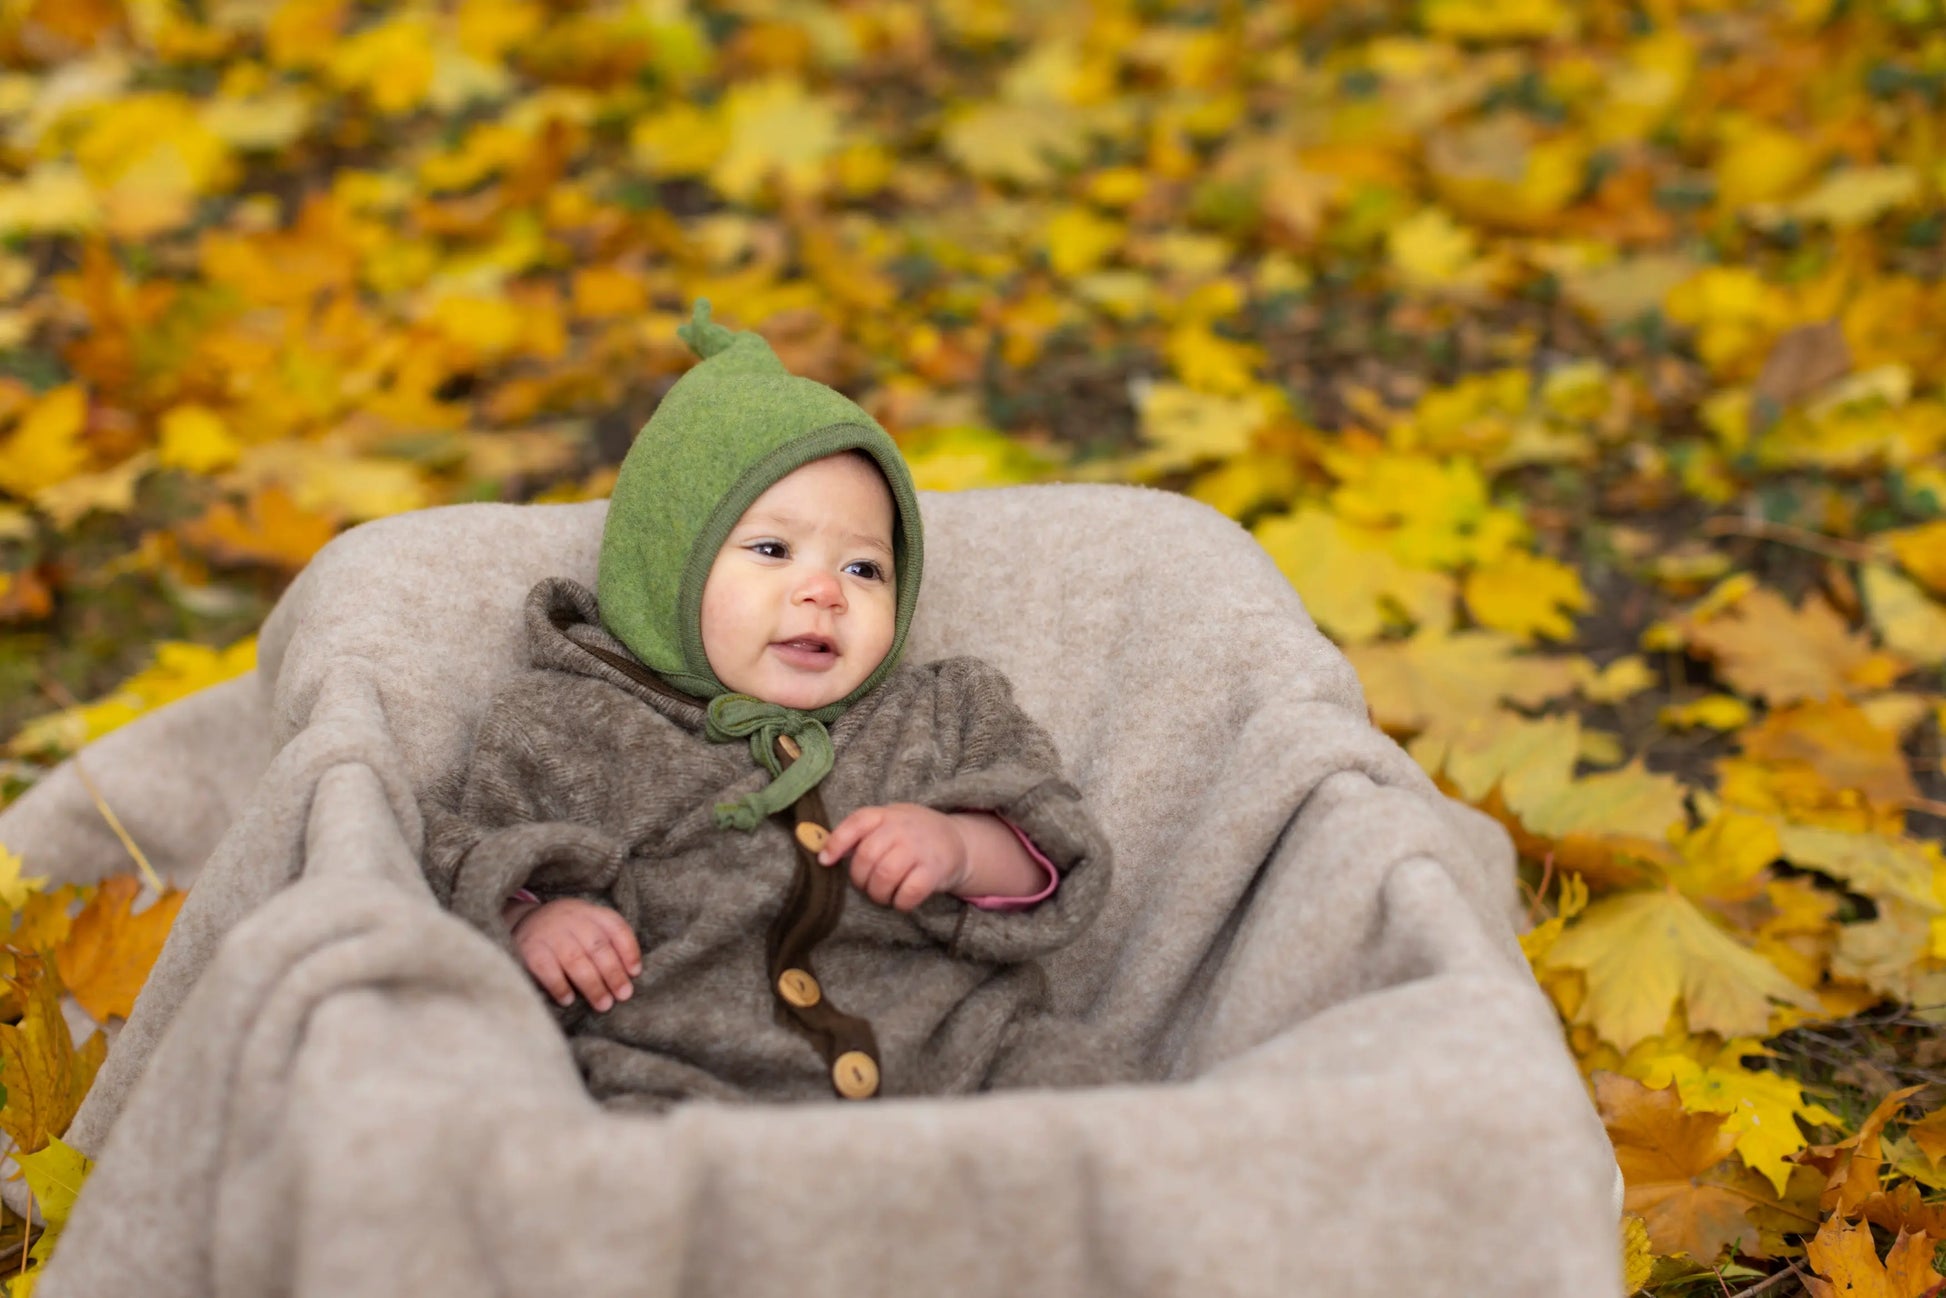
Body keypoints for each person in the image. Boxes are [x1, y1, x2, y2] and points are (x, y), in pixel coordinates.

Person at [422, 303, 1112, 1109]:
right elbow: (462, 847)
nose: (823, 592)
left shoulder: (945, 709)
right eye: (772, 551)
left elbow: (1054, 843)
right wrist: (534, 918)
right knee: (606, 1158)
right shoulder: (563, 724)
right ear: (667, 567)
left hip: (956, 1058)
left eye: (864, 569)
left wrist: (961, 847)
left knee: (1086, 1094)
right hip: (687, 1073)